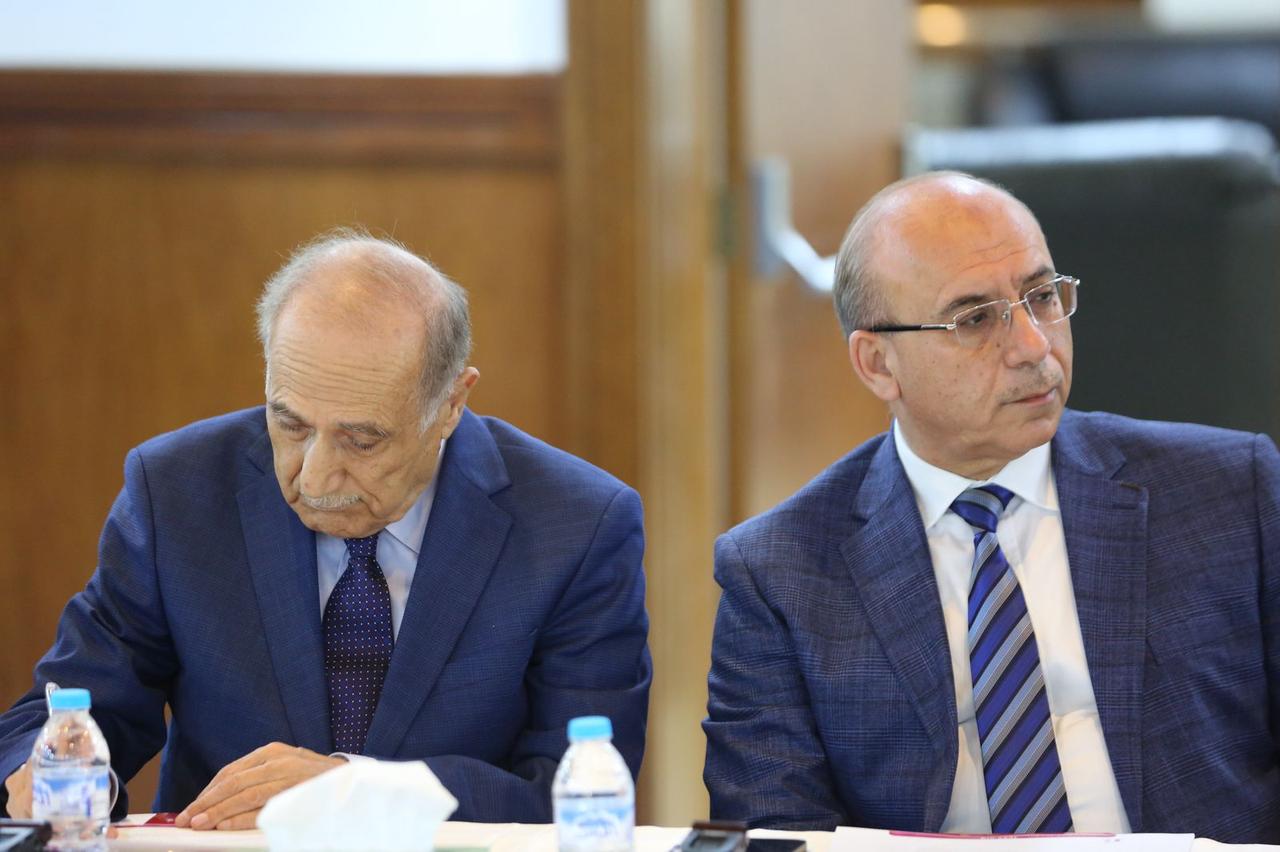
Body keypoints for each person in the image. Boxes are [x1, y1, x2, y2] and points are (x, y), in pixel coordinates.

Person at [0, 230, 652, 829]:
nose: (313, 475)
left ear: (451, 403)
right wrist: (49, 772)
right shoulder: (176, 492)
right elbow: (71, 708)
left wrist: (355, 789)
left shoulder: (577, 526)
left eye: (360, 440)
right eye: (289, 424)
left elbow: (578, 795)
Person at [703, 172, 1280, 842]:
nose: (1035, 346)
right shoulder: (780, 572)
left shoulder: (1228, 492)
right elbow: (775, 829)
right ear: (878, 364)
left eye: (1043, 296)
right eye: (975, 319)